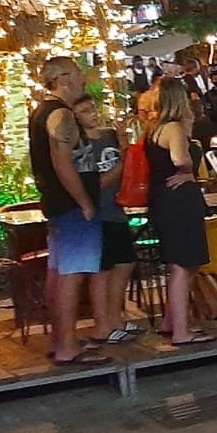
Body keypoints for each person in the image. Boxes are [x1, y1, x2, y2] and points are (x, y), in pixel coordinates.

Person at [32, 60, 111, 365]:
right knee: (72, 274)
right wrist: (85, 201)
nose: (83, 79)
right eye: (78, 73)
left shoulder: (43, 111)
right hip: (71, 205)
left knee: (59, 270)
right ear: (63, 79)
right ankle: (67, 346)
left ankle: (61, 340)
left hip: (58, 203)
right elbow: (62, 162)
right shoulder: (60, 114)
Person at [138, 78, 216, 348]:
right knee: (183, 265)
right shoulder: (173, 128)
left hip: (161, 199)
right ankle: (181, 330)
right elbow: (180, 159)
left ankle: (172, 320)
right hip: (178, 201)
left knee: (181, 263)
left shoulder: (153, 128)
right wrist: (188, 173)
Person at [75, 95, 138, 345]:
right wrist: (120, 168)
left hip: (118, 206)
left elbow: (129, 159)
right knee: (102, 269)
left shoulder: (108, 135)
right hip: (99, 210)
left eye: (93, 108)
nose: (92, 113)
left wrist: (124, 140)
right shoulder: (79, 145)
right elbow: (93, 185)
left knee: (125, 262)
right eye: (84, 111)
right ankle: (103, 324)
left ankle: (116, 318)